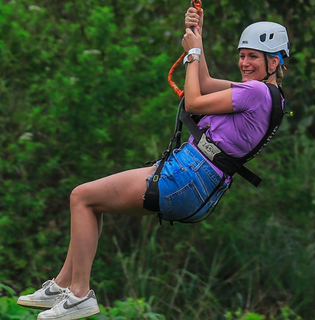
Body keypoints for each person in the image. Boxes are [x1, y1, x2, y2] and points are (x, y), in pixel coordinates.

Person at [17, 6, 289, 320]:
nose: (244, 63)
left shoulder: (255, 92)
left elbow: (194, 101)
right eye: (242, 55)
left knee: (81, 197)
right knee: (92, 202)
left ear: (275, 61)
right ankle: (62, 286)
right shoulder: (270, 97)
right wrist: (197, 37)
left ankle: (79, 294)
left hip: (188, 174)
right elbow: (204, 80)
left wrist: (194, 53)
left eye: (253, 56)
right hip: (199, 182)